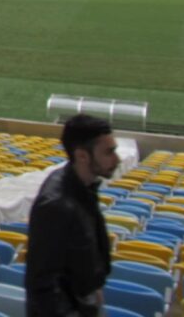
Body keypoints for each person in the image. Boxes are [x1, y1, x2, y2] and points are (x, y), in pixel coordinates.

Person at [25, 114, 120, 316]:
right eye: (109, 152)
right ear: (82, 156)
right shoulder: (56, 205)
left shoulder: (83, 187)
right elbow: (42, 285)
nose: (116, 159)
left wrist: (94, 289)